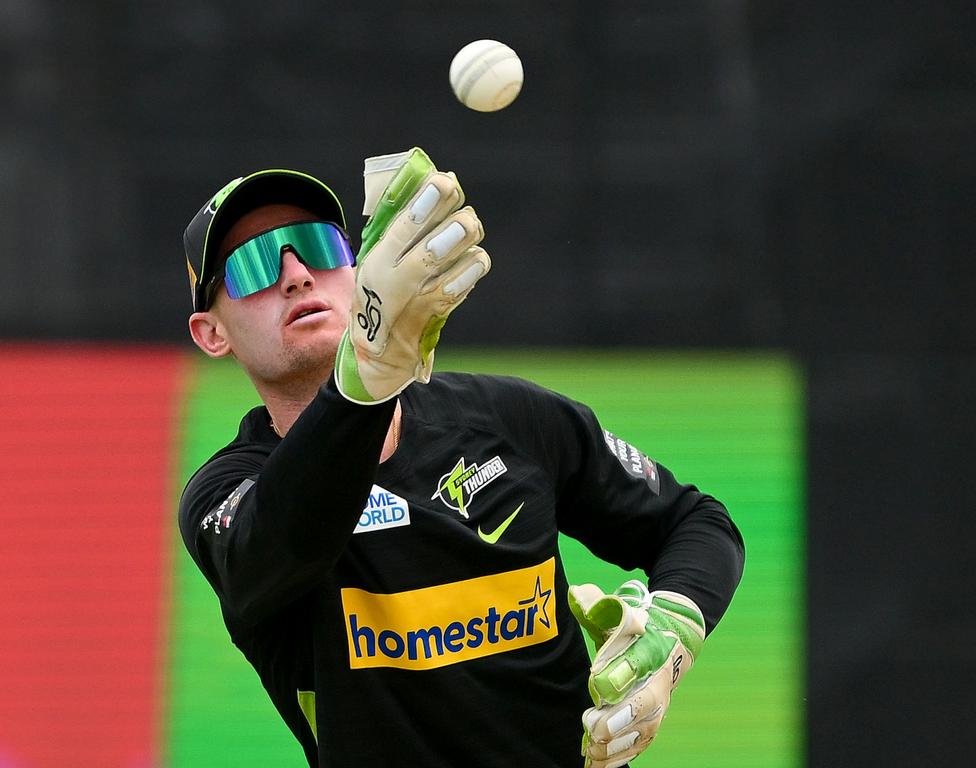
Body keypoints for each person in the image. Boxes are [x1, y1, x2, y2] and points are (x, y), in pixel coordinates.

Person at [179, 147, 744, 768]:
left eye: (317, 245)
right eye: (254, 263)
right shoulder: (226, 496)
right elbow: (288, 530)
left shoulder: (508, 418)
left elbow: (694, 521)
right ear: (213, 333)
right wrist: (367, 374)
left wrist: (671, 633)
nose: (297, 274)